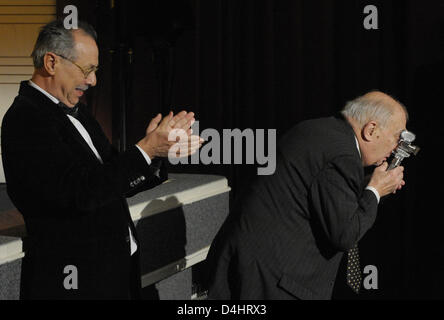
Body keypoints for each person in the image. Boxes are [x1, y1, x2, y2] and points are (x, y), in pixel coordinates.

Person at [1, 20, 202, 299]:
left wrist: (155, 154)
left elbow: (111, 179)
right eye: (88, 70)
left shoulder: (78, 111)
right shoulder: (25, 119)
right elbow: (79, 193)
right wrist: (144, 150)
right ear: (51, 62)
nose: (93, 81)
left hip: (115, 271)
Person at [206, 91, 407, 300]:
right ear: (371, 129)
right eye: (396, 138)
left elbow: (319, 193)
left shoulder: (320, 131)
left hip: (247, 263)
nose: (395, 150)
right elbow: (345, 234)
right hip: (272, 280)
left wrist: (367, 188)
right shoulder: (344, 156)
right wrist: (375, 191)